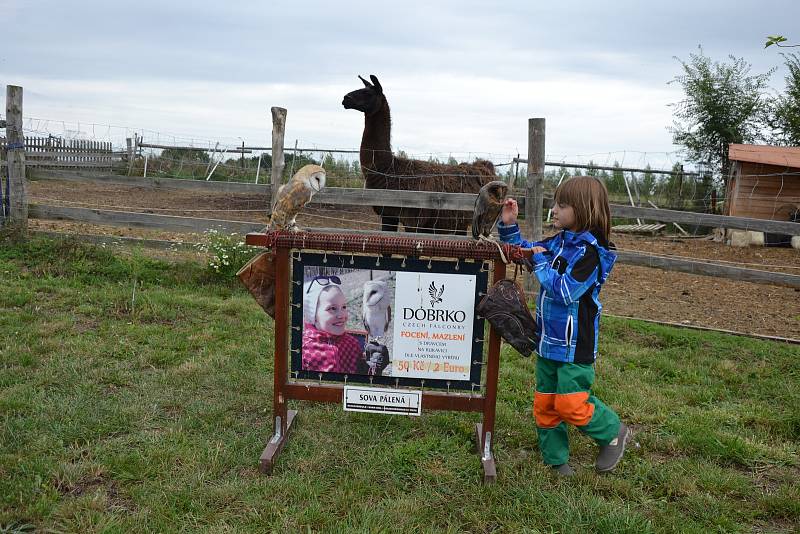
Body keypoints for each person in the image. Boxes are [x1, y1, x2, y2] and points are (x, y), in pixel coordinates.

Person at [498, 176, 632, 477]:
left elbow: (566, 290)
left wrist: (541, 264)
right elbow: (523, 251)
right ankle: (556, 460)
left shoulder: (591, 254)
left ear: (583, 209)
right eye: (554, 204)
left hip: (575, 345)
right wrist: (509, 226)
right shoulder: (556, 243)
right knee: (546, 403)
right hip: (548, 341)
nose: (554, 210)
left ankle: (613, 432)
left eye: (562, 205)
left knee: (570, 403)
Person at [302, 276, 362, 374]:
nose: (342, 315)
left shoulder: (352, 344)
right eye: (333, 308)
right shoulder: (304, 349)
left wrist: (373, 368)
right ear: (313, 314)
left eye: (344, 307)